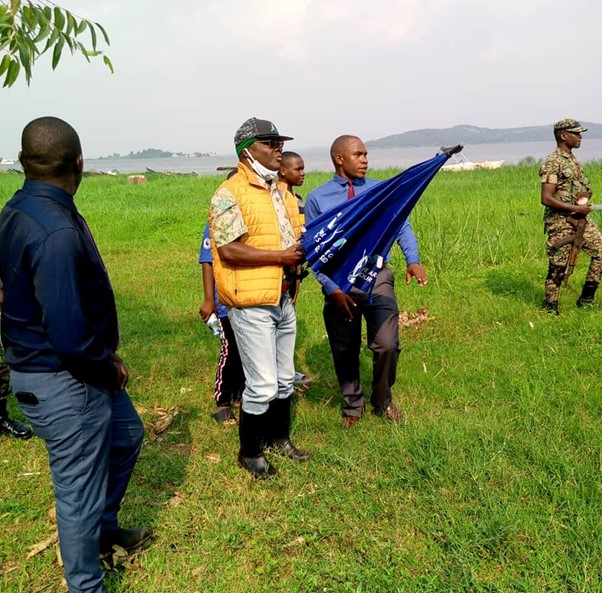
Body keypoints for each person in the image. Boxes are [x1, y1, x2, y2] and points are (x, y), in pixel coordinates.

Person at [0, 117, 148, 593]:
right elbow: (67, 334)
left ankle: (102, 530)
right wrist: (107, 364)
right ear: (80, 161)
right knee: (76, 491)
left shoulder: (18, 211)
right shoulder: (55, 231)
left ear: (23, 162)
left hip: (55, 368)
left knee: (126, 435)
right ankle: (86, 584)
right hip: (63, 377)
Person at [209, 117, 311, 479]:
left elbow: (298, 236)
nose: (277, 148)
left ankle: (279, 438)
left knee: (284, 378)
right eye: (270, 142)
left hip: (284, 297)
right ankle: (250, 452)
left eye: (279, 142)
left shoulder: (282, 192)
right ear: (247, 149)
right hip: (251, 302)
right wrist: (281, 257)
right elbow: (230, 251)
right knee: (263, 382)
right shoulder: (230, 193)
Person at [305, 135, 428, 427]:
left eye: (366, 154)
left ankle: (382, 400)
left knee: (386, 344)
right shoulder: (318, 199)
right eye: (358, 154)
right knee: (344, 348)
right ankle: (353, 404)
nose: (365, 160)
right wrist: (331, 288)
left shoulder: (379, 190)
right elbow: (313, 250)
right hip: (339, 285)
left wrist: (413, 259)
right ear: (339, 159)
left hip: (378, 277)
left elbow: (401, 224)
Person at [540, 119, 602, 314]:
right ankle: (550, 307)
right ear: (563, 135)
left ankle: (586, 298)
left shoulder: (573, 160)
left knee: (600, 252)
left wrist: (584, 195)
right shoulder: (553, 162)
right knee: (559, 264)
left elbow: (570, 189)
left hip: (579, 218)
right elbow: (546, 198)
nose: (580, 137)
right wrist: (574, 208)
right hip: (560, 221)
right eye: (576, 134)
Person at [199, 222, 245, 424]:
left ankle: (242, 393)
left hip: (248, 299)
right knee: (231, 349)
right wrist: (209, 299)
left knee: (248, 349)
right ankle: (223, 400)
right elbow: (207, 261)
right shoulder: (217, 220)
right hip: (225, 302)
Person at [278, 151, 312, 390]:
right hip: (279, 269)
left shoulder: (296, 199)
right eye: (297, 169)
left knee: (286, 322)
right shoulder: (275, 198)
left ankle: (285, 371)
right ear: (283, 170)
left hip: (294, 270)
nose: (302, 173)